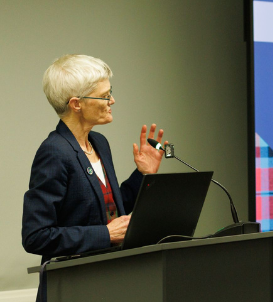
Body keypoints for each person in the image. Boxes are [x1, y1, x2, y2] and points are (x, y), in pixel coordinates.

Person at [21, 54, 167, 302]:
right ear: (76, 104)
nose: (112, 100)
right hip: (72, 289)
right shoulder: (54, 152)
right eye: (104, 96)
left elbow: (107, 209)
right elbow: (36, 236)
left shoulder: (99, 142)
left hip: (107, 283)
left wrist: (143, 174)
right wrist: (105, 234)